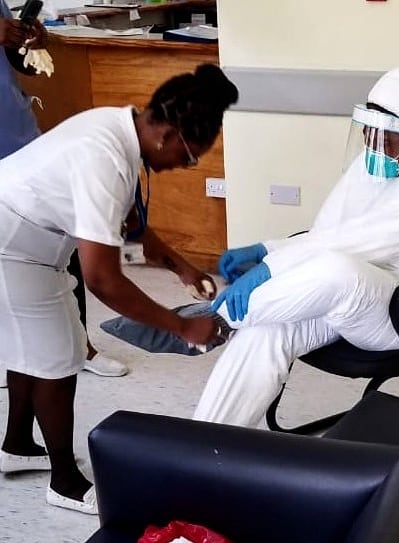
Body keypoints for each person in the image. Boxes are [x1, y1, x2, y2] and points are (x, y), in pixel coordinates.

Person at [0, 63, 238, 513]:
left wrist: (183, 268)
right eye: (189, 158)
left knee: (36, 351)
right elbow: (103, 280)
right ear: (167, 135)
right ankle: (65, 483)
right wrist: (181, 328)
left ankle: (17, 445)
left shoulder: (123, 129)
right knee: (57, 360)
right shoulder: (104, 159)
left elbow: (132, 226)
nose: (182, 167)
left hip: (30, 242)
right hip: (11, 248)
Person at [193, 67, 399, 428]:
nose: (373, 143)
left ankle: (216, 319)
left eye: (385, 135)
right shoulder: (369, 167)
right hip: (347, 302)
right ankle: (205, 444)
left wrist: (271, 268)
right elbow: (327, 234)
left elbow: (362, 241)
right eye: (369, 131)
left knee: (339, 270)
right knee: (266, 331)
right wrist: (266, 250)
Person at [0, 0, 125, 385]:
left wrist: (29, 41)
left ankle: (81, 345)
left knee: (61, 243)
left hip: (18, 138)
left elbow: (16, 62)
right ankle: (10, 354)